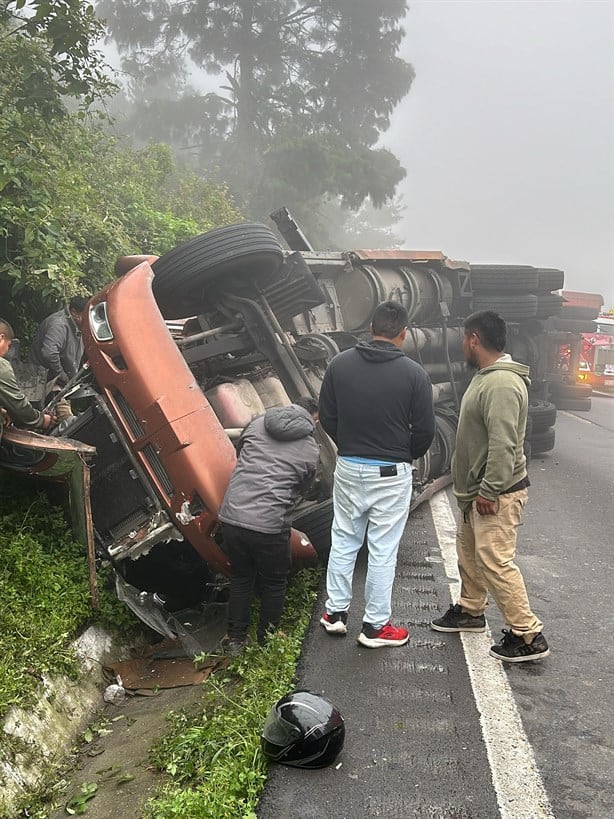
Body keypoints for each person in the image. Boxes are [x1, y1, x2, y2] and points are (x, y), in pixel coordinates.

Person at [430, 309, 549, 662]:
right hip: (475, 491)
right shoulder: (487, 377)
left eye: (464, 339)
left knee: (495, 560)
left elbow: (504, 443)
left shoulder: (501, 383)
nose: (462, 346)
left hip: (494, 492)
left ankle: (528, 636)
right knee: (468, 553)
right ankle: (470, 610)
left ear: (474, 339)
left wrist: (489, 489)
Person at [318, 301, 435, 648]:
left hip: (350, 465)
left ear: (370, 328)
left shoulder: (339, 364)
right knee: (383, 549)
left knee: (344, 539)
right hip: (390, 471)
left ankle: (335, 614)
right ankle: (374, 627)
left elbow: (327, 415)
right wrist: (404, 455)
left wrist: (349, 444)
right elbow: (425, 431)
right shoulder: (414, 374)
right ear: (404, 334)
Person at [218, 396, 321, 655]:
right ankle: (267, 639)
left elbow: (241, 454)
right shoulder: (310, 449)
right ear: (314, 417)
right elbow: (305, 488)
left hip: (232, 517)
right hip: (269, 525)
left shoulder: (257, 423)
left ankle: (236, 641)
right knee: (274, 582)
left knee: (241, 577)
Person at [29, 296, 87, 419]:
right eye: (85, 315)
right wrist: (63, 376)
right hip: (46, 383)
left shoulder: (78, 327)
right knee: (67, 421)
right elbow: (49, 353)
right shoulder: (60, 324)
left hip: (60, 386)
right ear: (75, 312)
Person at [0, 319, 54, 442]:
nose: (7, 351)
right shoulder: (1, 366)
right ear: (1, 338)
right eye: (8, 346)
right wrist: (41, 420)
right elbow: (17, 403)